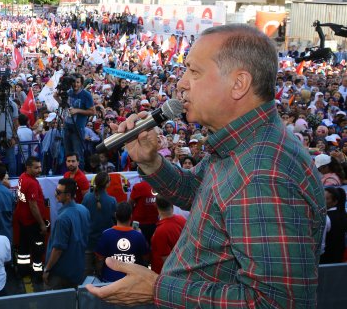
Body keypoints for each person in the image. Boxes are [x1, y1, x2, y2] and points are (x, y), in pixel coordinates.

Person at [88, 24, 326, 308]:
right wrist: (150, 161)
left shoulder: (264, 174)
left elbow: (277, 302)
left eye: (194, 71)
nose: (181, 83)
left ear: (239, 84)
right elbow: (194, 192)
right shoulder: (239, 142)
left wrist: (157, 289)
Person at [43, 178, 90, 289]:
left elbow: (58, 249)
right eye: (56, 190)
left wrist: (47, 269)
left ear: (68, 195)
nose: (55, 194)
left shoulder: (63, 219)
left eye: (58, 192)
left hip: (61, 273)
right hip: (77, 269)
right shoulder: (84, 210)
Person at [95, 201, 149, 282]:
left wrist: (98, 273)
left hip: (109, 280)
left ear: (116, 215)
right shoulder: (138, 235)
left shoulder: (106, 234)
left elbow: (99, 259)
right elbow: (146, 258)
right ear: (131, 216)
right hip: (133, 280)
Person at [15, 156, 48, 279]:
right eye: (36, 168)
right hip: (32, 223)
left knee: (23, 248)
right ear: (28, 167)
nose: (39, 170)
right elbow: (33, 206)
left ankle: (22, 271)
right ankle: (38, 274)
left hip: (23, 221)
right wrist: (41, 224)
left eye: (40, 167)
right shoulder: (32, 182)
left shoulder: (22, 177)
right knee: (38, 249)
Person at [82, 172, 116, 277]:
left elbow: (83, 217)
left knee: (87, 275)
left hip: (89, 241)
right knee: (101, 274)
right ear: (107, 184)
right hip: (104, 243)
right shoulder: (112, 201)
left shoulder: (87, 198)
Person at [61, 74, 95, 168]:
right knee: (68, 154)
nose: (75, 84)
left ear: (81, 83)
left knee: (77, 154)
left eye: (77, 82)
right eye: (73, 82)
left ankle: (80, 175)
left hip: (78, 128)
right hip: (67, 126)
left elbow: (93, 111)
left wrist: (77, 110)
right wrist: (57, 96)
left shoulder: (86, 95)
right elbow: (63, 104)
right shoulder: (69, 92)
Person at [150, 196, 186, 274]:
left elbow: (166, 260)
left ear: (156, 206)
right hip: (180, 267)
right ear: (172, 204)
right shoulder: (182, 220)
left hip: (163, 274)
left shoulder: (161, 231)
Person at [320, 187, 347, 264]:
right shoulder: (343, 214)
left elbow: (322, 245)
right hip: (339, 258)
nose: (322, 201)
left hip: (326, 260)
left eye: (326, 199)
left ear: (334, 202)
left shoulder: (326, 218)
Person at [128, 179, 158, 245]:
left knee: (135, 244)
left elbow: (129, 204)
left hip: (138, 223)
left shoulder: (138, 186)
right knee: (152, 244)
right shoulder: (158, 186)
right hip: (154, 223)